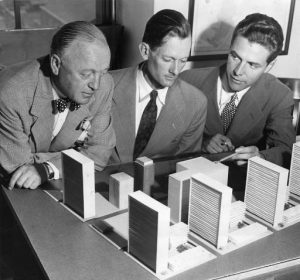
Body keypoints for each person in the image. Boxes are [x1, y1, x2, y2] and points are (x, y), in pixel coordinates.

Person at [0, 21, 115, 190]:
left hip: (58, 184)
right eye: (86, 74)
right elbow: (19, 170)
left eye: (103, 72)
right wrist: (75, 156)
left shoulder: (104, 85)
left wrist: (49, 168)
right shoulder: (12, 92)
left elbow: (100, 153)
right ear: (55, 64)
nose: (96, 85)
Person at [180, 13, 295, 169]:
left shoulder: (279, 96)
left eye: (252, 65)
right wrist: (201, 142)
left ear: (270, 65)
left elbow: (286, 152)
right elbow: (164, 142)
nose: (238, 71)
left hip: (241, 185)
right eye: (235, 57)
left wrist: (260, 157)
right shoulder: (188, 81)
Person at [110, 9, 207, 163]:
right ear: (145, 51)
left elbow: (185, 167)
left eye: (183, 61)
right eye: (168, 59)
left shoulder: (195, 103)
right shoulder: (105, 86)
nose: (175, 70)